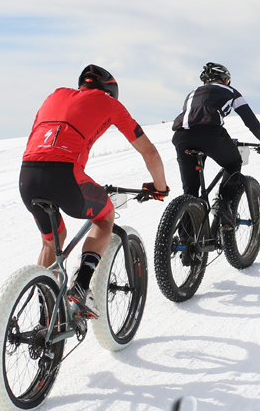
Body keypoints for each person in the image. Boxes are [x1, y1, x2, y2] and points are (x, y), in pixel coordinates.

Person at [21, 65, 170, 317]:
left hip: (27, 176)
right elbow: (150, 151)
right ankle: (81, 286)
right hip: (66, 176)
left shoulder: (54, 95)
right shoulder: (109, 103)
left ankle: (46, 314)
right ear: (110, 91)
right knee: (104, 216)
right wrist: (159, 187)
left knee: (51, 242)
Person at [172, 62, 260, 230]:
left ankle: (187, 240)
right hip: (211, 134)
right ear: (224, 79)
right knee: (233, 162)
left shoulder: (192, 93)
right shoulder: (231, 92)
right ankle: (223, 204)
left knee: (190, 191)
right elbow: (251, 122)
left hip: (181, 137)